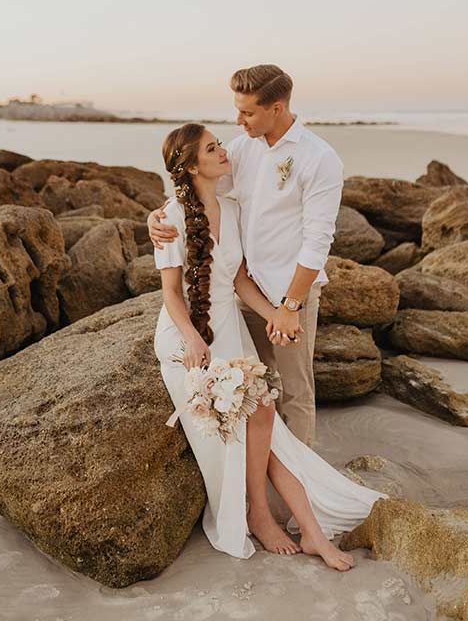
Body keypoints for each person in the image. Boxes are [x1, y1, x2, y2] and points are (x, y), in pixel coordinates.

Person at [154, 122, 387, 568]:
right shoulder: (170, 219)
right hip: (188, 335)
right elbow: (170, 294)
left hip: (229, 326)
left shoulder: (230, 207)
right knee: (260, 414)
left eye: (220, 143)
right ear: (191, 165)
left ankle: (310, 532)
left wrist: (278, 315)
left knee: (266, 422)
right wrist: (194, 342)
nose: (225, 149)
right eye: (212, 147)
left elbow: (239, 280)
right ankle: (261, 516)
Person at [149, 64, 343, 449]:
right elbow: (196, 187)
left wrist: (289, 305)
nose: (238, 121)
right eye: (237, 110)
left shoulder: (318, 158)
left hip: (290, 293)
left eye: (248, 112)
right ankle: (263, 470)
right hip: (242, 290)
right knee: (258, 390)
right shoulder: (240, 149)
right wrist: (156, 217)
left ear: (277, 107)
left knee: (295, 392)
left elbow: (317, 241)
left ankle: (299, 481)